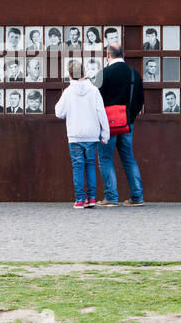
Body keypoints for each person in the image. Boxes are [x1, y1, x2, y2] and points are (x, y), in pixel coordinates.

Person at [56, 59, 110, 209]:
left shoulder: (68, 92)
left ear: (69, 76)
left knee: (78, 167)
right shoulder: (94, 90)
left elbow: (59, 112)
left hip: (75, 136)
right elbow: (102, 113)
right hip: (92, 135)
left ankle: (80, 199)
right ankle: (91, 198)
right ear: (85, 74)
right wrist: (105, 134)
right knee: (90, 165)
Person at [97, 45, 145, 207]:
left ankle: (111, 197)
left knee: (105, 159)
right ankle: (137, 197)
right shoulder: (134, 73)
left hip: (107, 125)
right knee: (128, 158)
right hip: (127, 124)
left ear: (107, 55)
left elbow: (96, 102)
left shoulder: (103, 73)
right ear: (123, 54)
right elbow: (140, 100)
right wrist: (130, 117)